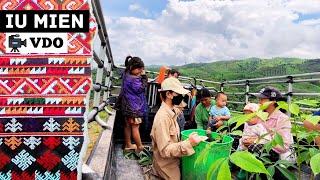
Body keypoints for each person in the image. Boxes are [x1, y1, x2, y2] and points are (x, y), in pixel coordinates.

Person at [150, 77, 202, 180]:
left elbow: (180, 107)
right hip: (166, 163)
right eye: (179, 94)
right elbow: (165, 150)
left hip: (175, 158)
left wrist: (187, 95)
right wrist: (189, 143)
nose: (181, 97)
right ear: (169, 94)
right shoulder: (162, 118)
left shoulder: (172, 109)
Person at [245, 87, 295, 161]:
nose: (259, 102)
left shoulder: (282, 119)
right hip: (260, 147)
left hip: (278, 155)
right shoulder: (260, 115)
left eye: (262, 99)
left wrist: (258, 141)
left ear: (273, 101)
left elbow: (284, 146)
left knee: (255, 148)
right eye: (259, 99)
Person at [117, 56, 148, 152]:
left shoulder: (126, 74)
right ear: (132, 67)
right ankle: (140, 147)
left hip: (126, 105)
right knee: (135, 126)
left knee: (127, 125)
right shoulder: (134, 79)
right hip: (134, 107)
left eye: (141, 69)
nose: (140, 71)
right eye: (139, 69)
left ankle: (128, 144)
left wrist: (139, 74)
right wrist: (144, 77)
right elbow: (141, 89)